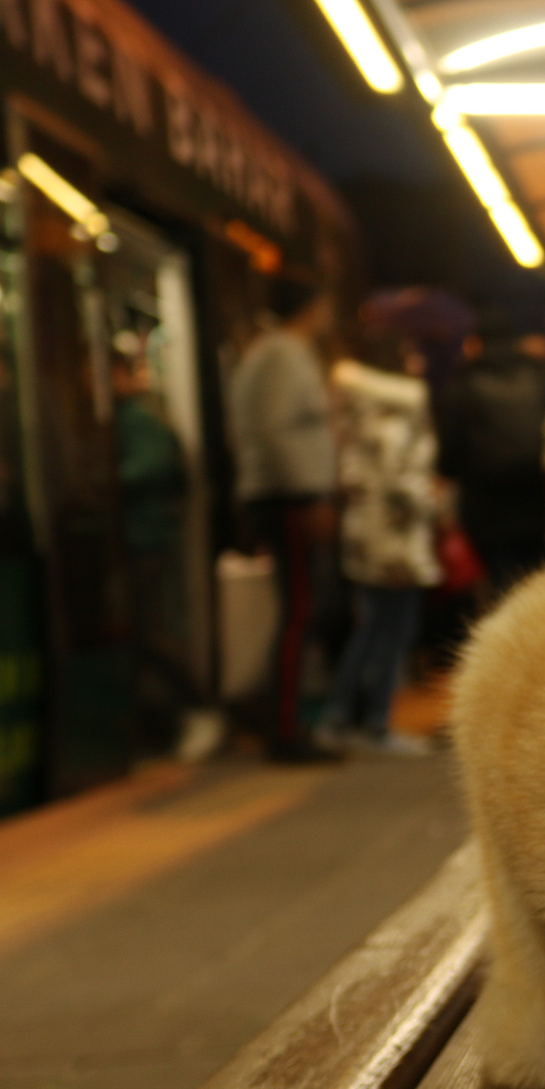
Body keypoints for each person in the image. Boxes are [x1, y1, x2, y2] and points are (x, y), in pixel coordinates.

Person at [228, 277, 342, 763]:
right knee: (298, 610)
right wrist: (308, 493)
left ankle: (289, 724)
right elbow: (277, 429)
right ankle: (286, 730)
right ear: (313, 306)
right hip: (288, 497)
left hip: (282, 495)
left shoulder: (268, 353)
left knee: (297, 608)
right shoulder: (283, 354)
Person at [319, 339, 441, 755]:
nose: (418, 359)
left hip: (367, 534)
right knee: (392, 631)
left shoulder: (360, 413)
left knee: (372, 627)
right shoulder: (396, 413)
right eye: (410, 354)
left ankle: (340, 717)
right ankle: (372, 722)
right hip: (396, 537)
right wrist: (430, 502)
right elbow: (398, 480)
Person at [114, 348, 205, 757]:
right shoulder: (123, 419)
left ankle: (199, 707)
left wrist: (104, 480)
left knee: (147, 631)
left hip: (146, 539)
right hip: (136, 539)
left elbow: (148, 466)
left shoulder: (137, 421)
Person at [438, 308, 545, 596]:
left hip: (486, 509)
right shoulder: (540, 376)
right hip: (537, 502)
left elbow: (449, 457)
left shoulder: (462, 383)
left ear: (478, 341)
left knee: (503, 592)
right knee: (539, 586)